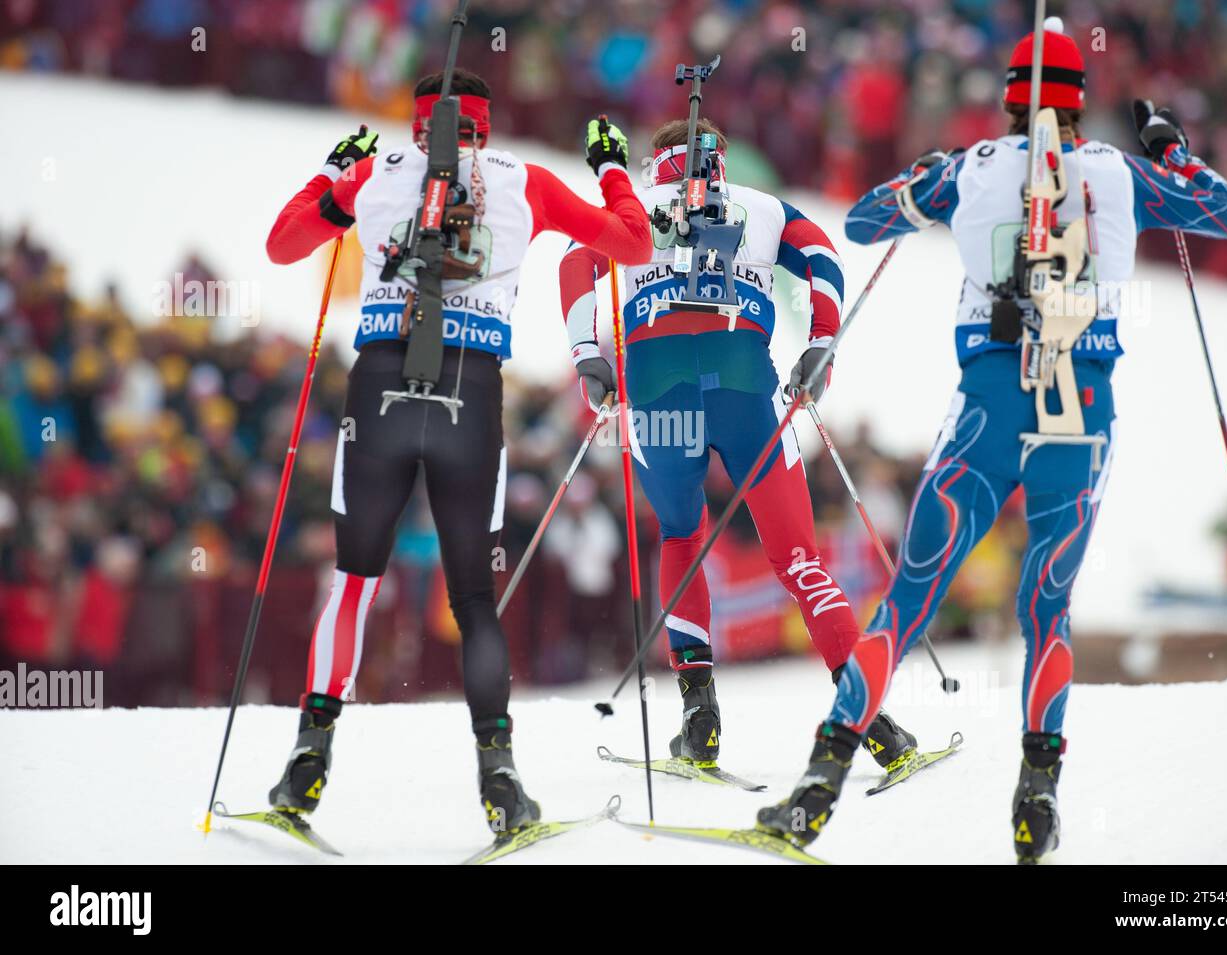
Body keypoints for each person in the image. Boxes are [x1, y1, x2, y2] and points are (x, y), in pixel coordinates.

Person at [757, 18, 1227, 862]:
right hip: (1083, 405)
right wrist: (1168, 145)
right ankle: (1037, 797)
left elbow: (872, 220)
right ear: (1080, 104)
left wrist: (931, 179)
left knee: (911, 597)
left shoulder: (972, 166)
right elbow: (1226, 211)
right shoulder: (1122, 171)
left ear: (1011, 99)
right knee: (1047, 608)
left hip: (988, 398)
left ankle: (819, 782)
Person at [262, 69, 651, 835]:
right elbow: (633, 242)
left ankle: (307, 762)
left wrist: (333, 170)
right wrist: (609, 166)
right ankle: (500, 780)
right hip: (470, 394)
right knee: (474, 598)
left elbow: (283, 245)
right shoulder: (524, 180)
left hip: (377, 386)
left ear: (414, 124)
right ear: (487, 123)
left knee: (354, 581)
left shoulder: (376, 174)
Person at [559, 118, 920, 775]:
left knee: (679, 536)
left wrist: (588, 357)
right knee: (799, 558)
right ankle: (875, 727)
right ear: (720, 158)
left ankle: (700, 723)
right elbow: (823, 257)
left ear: (656, 162)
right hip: (745, 386)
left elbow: (575, 261)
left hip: (659, 388)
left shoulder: (632, 209)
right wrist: (820, 342)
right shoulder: (761, 205)